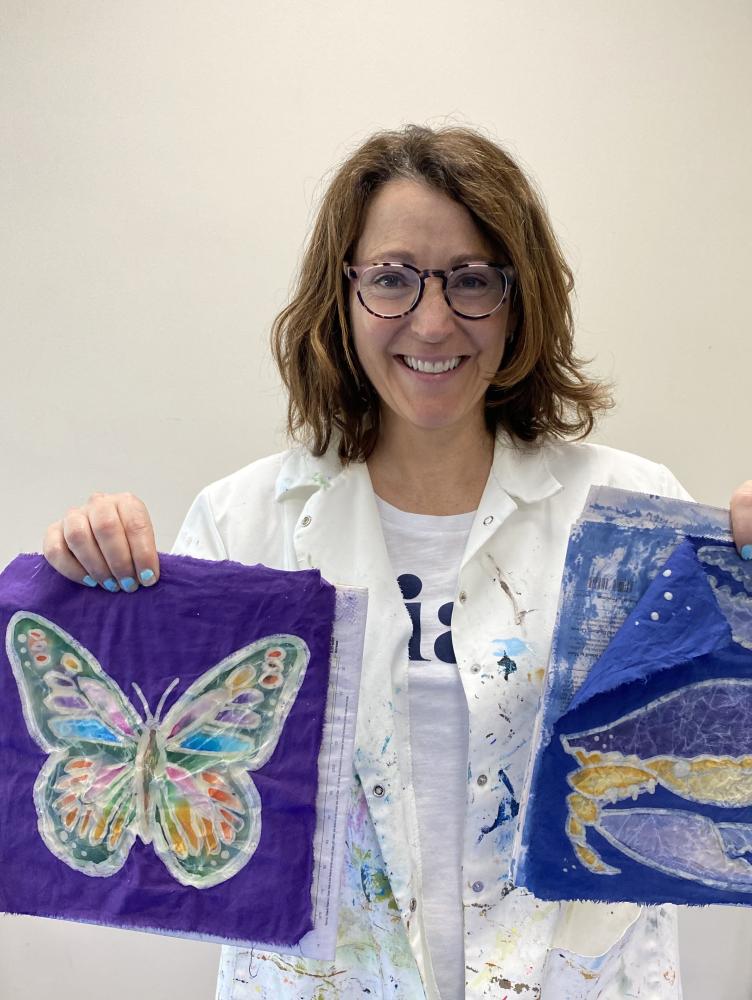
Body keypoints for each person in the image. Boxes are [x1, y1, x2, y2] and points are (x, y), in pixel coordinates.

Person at [43, 125, 752, 1000]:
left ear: (516, 298)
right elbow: (137, 795)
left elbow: (712, 769)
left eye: (471, 279)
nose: (431, 319)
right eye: (391, 278)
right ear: (340, 296)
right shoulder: (243, 522)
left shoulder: (629, 518)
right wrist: (88, 584)